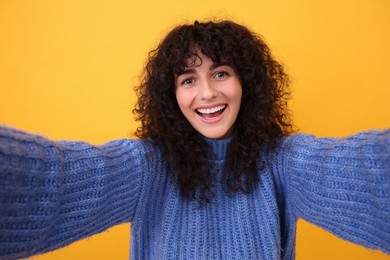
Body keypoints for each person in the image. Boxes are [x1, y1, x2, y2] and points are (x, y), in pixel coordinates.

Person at [0, 20, 389, 260]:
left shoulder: (283, 162)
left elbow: (363, 175)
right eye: (188, 80)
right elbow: (55, 181)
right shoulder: (146, 167)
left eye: (221, 73)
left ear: (246, 83)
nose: (206, 93)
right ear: (172, 96)